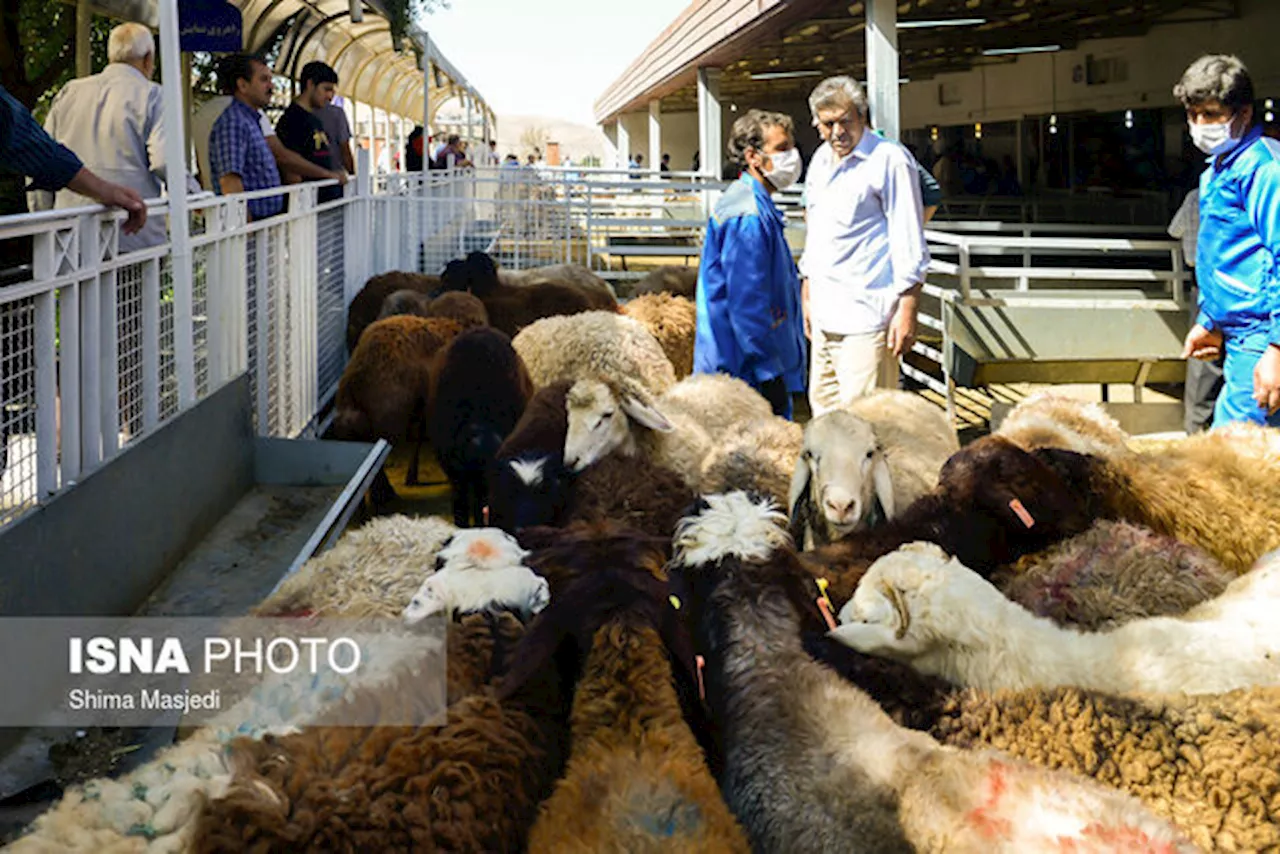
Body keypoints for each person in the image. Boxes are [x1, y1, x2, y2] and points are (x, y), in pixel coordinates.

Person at [798, 75, 930, 416]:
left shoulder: (889, 159)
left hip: (867, 315)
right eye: (828, 124)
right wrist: (808, 291)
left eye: (846, 122)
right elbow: (816, 232)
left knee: (865, 424)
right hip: (827, 312)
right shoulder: (820, 161)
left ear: (862, 117)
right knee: (825, 419)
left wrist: (908, 306)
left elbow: (908, 235)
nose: (838, 132)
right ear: (817, 124)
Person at [1175, 54, 1280, 427]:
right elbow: (1225, 257)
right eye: (1194, 114)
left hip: (1261, 336)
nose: (1201, 125)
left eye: (1213, 114)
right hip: (1239, 337)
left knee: (1239, 463)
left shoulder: (1264, 170)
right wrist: (1211, 319)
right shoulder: (1220, 169)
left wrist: (1276, 348)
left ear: (1245, 113)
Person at [693, 109, 807, 419]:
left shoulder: (754, 204)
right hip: (744, 374)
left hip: (746, 365)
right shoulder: (748, 215)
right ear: (753, 156)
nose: (792, 156)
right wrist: (769, 373)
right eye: (781, 148)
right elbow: (747, 302)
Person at [41, 22, 186, 250]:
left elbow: (42, 159)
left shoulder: (69, 92)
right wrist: (197, 196)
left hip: (70, 238)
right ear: (148, 58)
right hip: (134, 238)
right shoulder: (154, 96)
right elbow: (164, 161)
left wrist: (44, 220)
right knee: (135, 287)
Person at [0, 83, 145, 233]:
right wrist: (102, 188)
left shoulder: (68, 91)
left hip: (67, 228)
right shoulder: (149, 93)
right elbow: (28, 143)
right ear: (148, 61)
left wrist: (41, 214)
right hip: (123, 228)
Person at [1169, 186, 1224, 433]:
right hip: (1230, 278)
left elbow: (1174, 230)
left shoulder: (1194, 196)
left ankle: (1196, 426)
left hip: (1200, 281)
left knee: (1203, 362)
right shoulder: (1240, 188)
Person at [209, 53, 285, 221]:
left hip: (265, 226)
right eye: (264, 80)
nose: (271, 87)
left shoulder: (250, 120)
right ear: (243, 85)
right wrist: (246, 232)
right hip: (253, 230)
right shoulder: (234, 122)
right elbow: (230, 182)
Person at [275, 61, 343, 203]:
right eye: (326, 89)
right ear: (310, 84)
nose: (330, 97)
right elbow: (291, 170)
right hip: (310, 207)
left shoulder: (314, 119)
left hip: (324, 205)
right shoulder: (292, 120)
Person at [320, 99, 355, 175]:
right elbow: (344, 148)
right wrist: (352, 173)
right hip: (335, 175)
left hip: (307, 177)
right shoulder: (337, 113)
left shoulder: (299, 114)